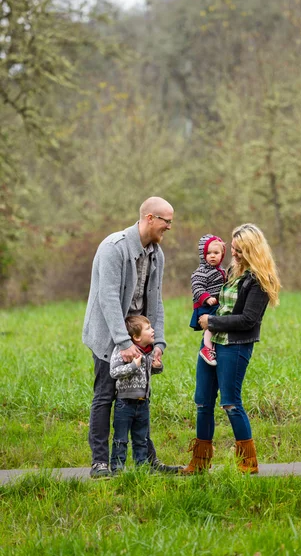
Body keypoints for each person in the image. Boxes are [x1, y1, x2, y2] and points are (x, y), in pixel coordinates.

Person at [83, 196, 181, 478]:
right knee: (105, 395)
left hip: (139, 336)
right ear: (150, 218)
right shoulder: (113, 248)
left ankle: (146, 460)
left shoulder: (156, 254)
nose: (169, 227)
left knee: (139, 397)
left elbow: (156, 301)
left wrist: (158, 343)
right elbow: (108, 299)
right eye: (167, 221)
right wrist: (123, 344)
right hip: (108, 334)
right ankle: (100, 463)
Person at [181, 223, 281, 476]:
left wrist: (211, 322)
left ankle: (248, 463)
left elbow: (248, 320)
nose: (232, 254)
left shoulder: (259, 280)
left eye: (238, 250)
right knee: (203, 402)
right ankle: (200, 461)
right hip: (213, 343)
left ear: (251, 250)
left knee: (231, 403)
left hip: (235, 346)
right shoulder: (232, 271)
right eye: (232, 249)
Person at [110, 315, 163, 473]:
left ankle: (142, 468)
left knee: (141, 438)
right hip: (125, 403)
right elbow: (114, 372)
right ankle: (118, 468)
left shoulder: (149, 352)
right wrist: (133, 365)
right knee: (121, 439)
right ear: (136, 337)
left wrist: (157, 366)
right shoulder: (122, 351)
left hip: (143, 403)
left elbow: (149, 372)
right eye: (148, 329)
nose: (153, 330)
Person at [189, 234, 226, 366]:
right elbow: (197, 287)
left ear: (222, 254)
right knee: (210, 325)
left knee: (215, 325)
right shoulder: (201, 271)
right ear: (202, 255)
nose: (212, 256)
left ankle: (212, 346)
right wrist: (206, 298)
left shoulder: (221, 270)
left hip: (215, 304)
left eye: (216, 253)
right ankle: (207, 349)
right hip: (205, 306)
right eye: (208, 253)